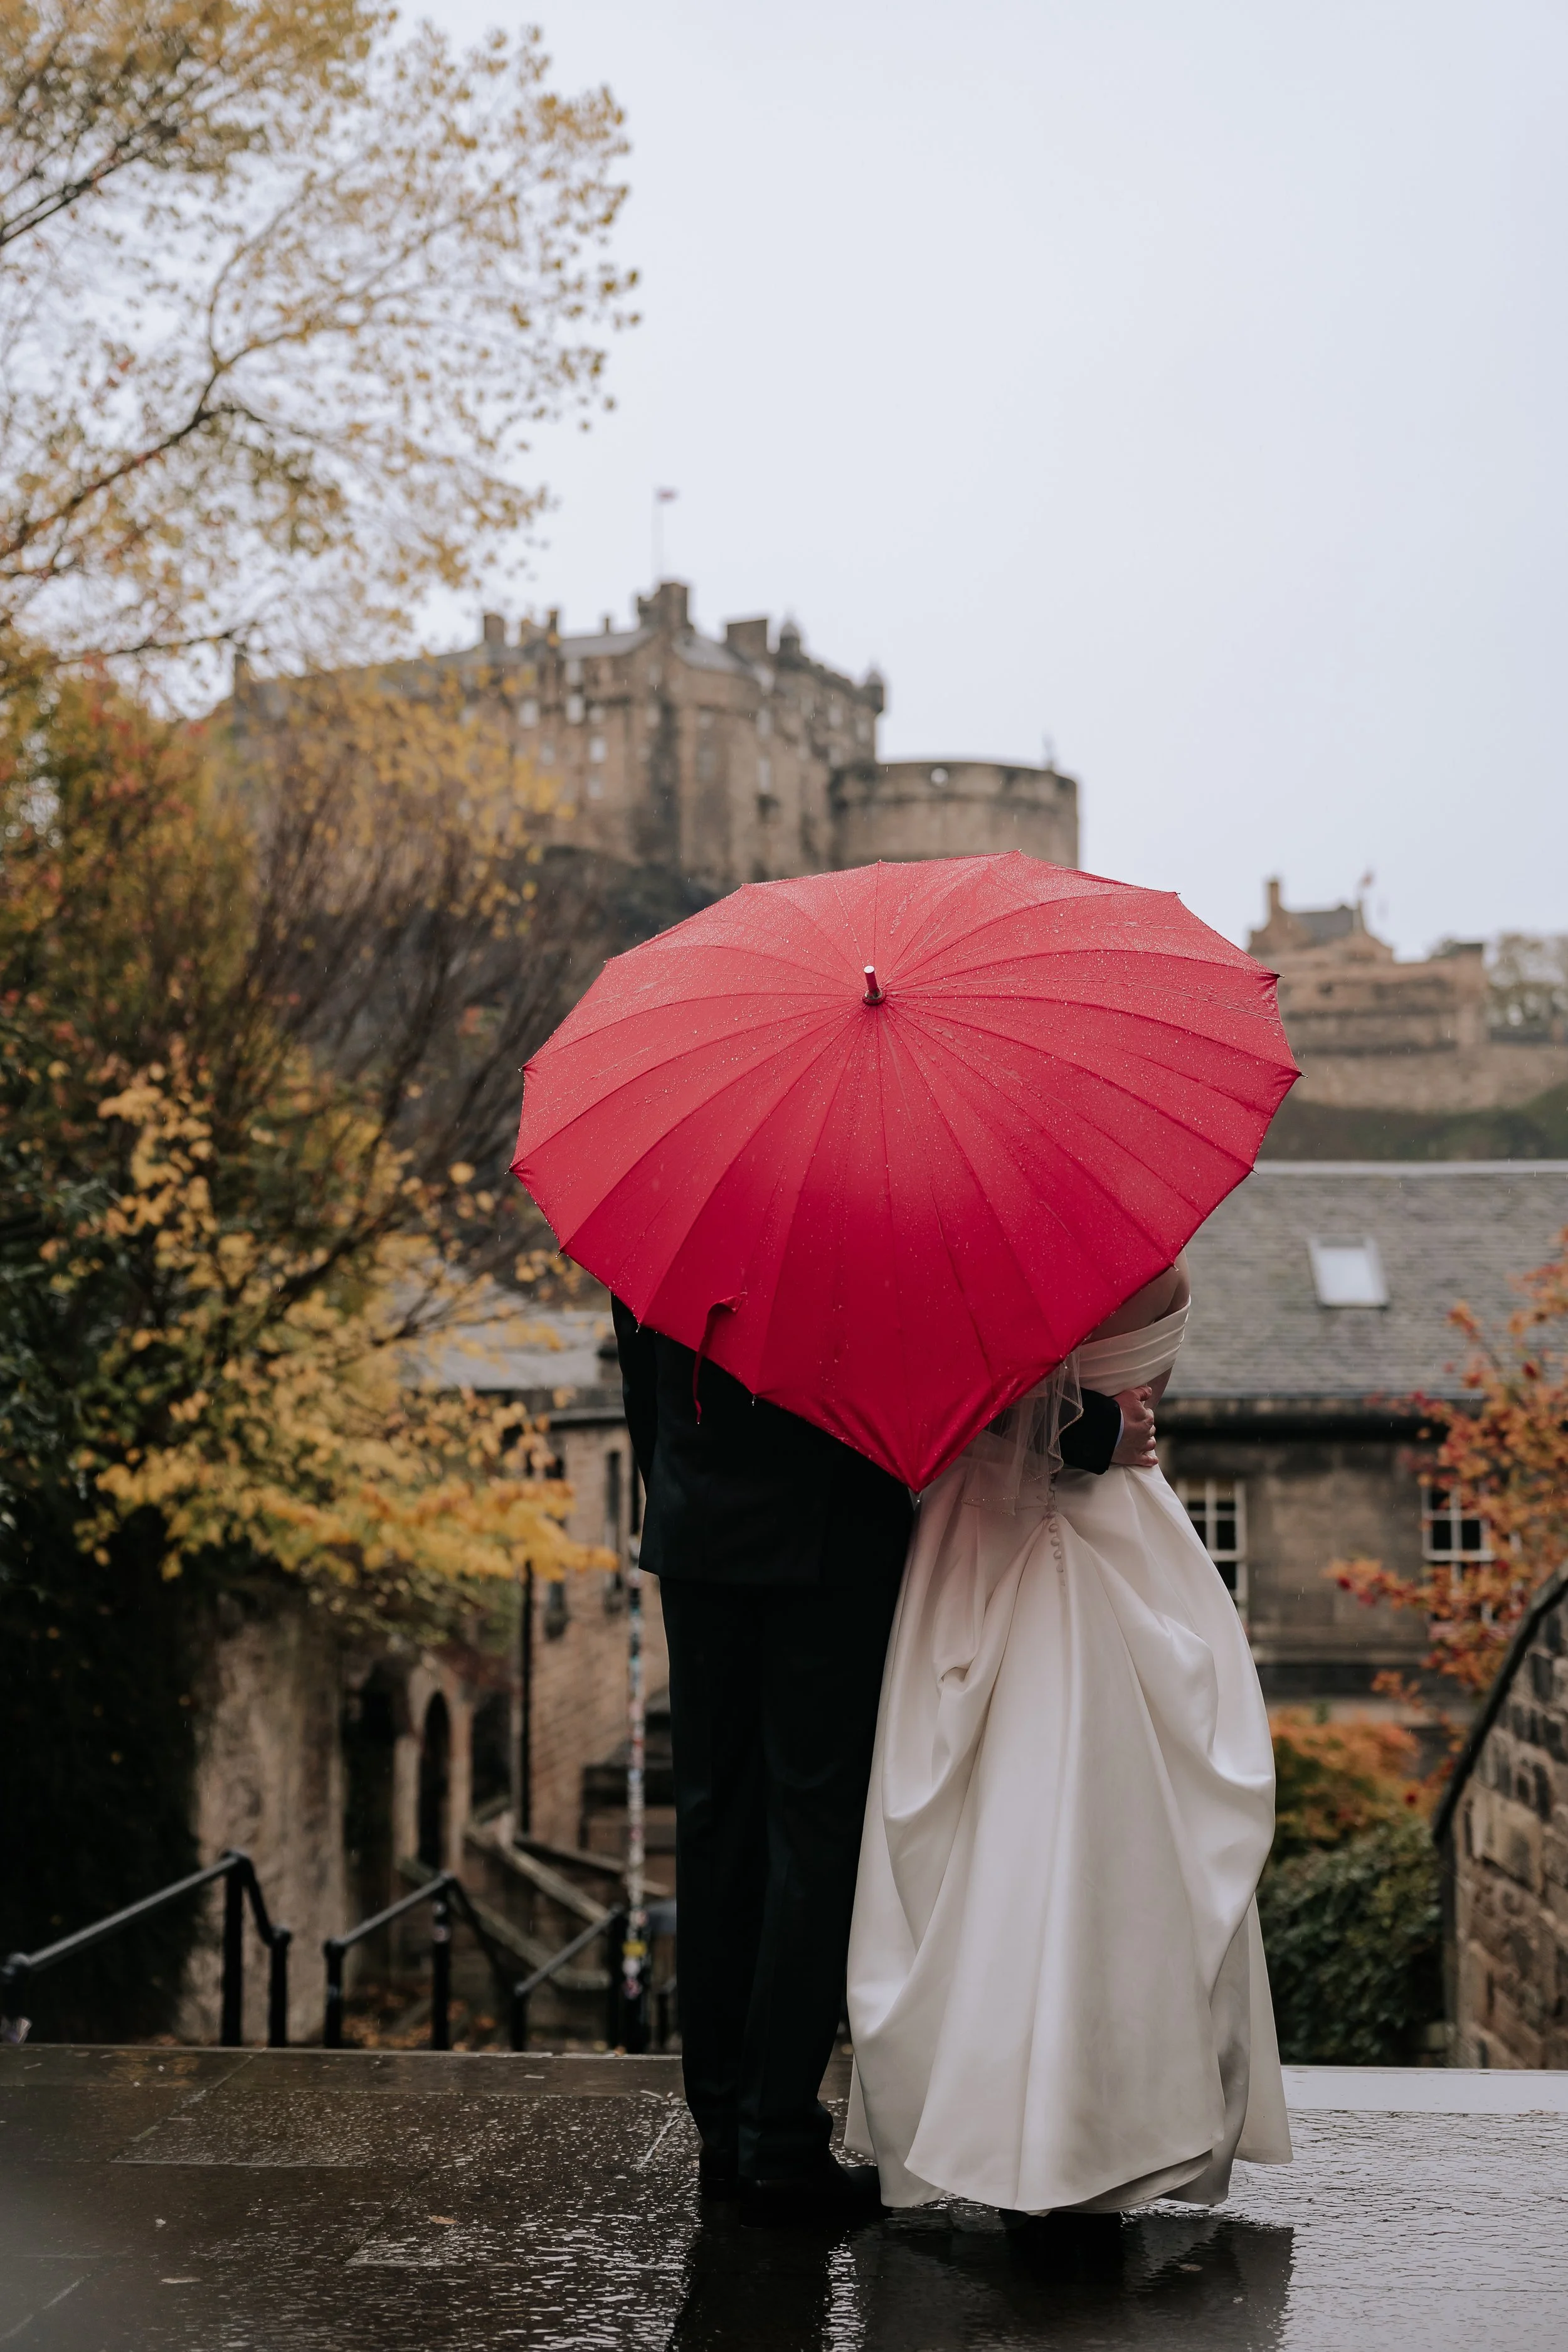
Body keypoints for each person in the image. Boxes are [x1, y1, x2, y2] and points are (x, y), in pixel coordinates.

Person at [613, 1295, 1148, 2226]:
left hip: (697, 1532)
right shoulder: (866, 1216)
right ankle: (776, 2140)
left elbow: (640, 1378)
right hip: (828, 1536)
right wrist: (1095, 1430)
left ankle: (725, 2137)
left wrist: (685, 1497)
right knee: (813, 1833)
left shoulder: (669, 1212)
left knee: (712, 1829)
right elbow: (933, 1373)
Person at [844, 1253, 1294, 2218]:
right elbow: (1132, 1403)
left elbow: (976, 1406)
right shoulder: (1164, 1272)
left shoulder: (987, 1267)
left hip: (985, 1538)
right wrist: (1104, 1425)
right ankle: (1125, 2114)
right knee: (1127, 1831)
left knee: (998, 1824)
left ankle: (998, 2114)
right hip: (1130, 1529)